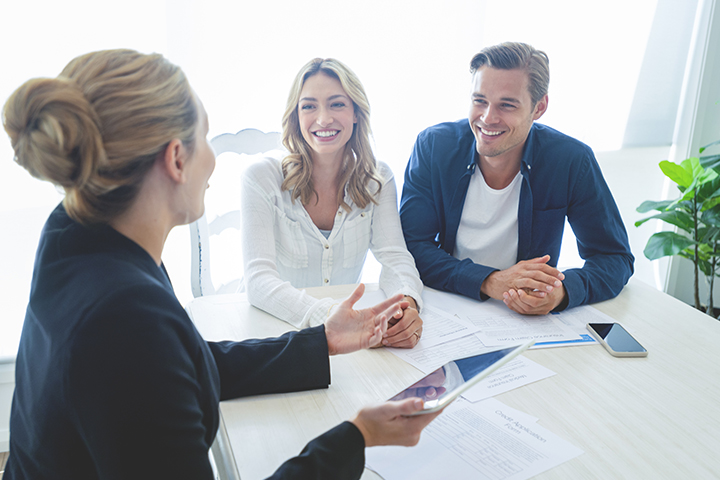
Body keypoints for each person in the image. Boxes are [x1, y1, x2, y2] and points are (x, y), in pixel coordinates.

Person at [2, 49, 442, 479]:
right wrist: (356, 436)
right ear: (177, 158)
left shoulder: (77, 235)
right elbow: (153, 353)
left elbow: (182, 363)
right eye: (205, 138)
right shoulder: (126, 317)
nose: (213, 161)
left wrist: (321, 340)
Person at [400, 42, 634, 315]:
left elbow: (614, 258)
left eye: (507, 105)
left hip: (525, 319)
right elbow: (411, 247)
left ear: (539, 107)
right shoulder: (434, 147)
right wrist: (489, 281)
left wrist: (562, 292)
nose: (487, 118)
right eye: (480, 101)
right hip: (446, 303)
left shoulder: (571, 160)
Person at [242, 58, 424, 347]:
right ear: (296, 117)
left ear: (355, 113)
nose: (323, 119)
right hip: (273, 332)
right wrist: (330, 316)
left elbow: (395, 257)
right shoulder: (261, 178)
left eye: (337, 104)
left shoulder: (378, 178)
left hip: (347, 340)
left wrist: (406, 304)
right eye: (309, 106)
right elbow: (258, 281)